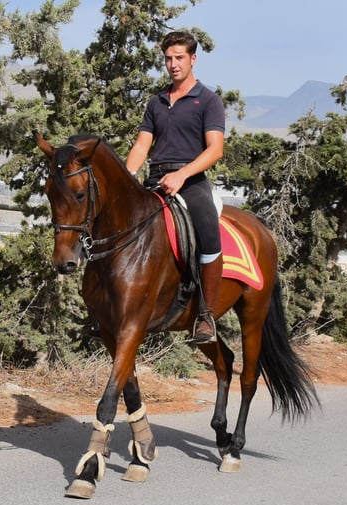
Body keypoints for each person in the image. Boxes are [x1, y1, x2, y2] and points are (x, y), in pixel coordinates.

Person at [125, 30, 225, 343]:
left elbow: (215, 149)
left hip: (191, 181)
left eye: (179, 57)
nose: (173, 64)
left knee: (208, 232)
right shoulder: (156, 102)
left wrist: (182, 175)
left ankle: (206, 315)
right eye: (168, 58)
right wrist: (128, 177)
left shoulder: (208, 100)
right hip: (155, 179)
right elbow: (142, 146)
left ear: (193, 58)